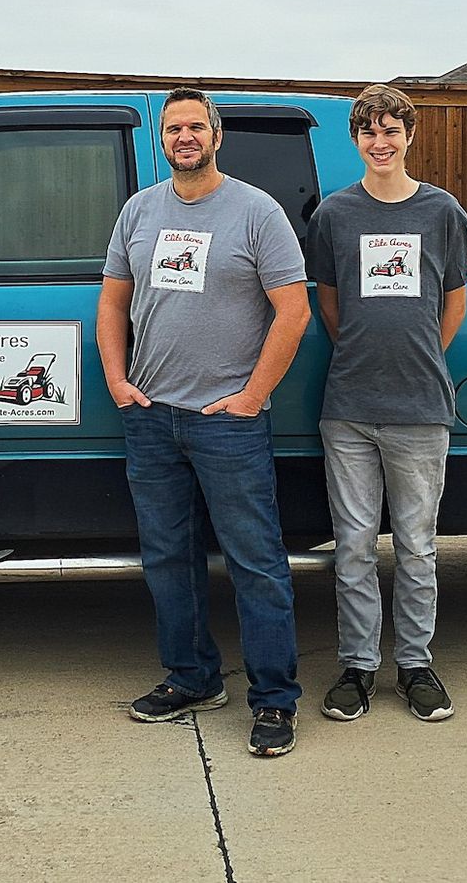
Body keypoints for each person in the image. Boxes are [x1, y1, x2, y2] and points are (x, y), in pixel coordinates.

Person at [98, 87, 312, 757]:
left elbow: (295, 311)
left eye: (196, 125)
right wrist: (117, 379)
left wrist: (251, 397)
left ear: (217, 135)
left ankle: (274, 700)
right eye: (174, 127)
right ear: (162, 140)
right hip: (152, 417)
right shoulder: (139, 210)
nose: (185, 135)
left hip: (228, 421)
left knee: (257, 563)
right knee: (167, 559)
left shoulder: (256, 211)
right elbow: (112, 302)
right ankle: (191, 677)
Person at [305, 84, 467, 722]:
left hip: (422, 407)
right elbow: (327, 297)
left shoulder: (442, 212)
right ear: (356, 140)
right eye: (370, 132)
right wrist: (359, 348)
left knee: (417, 545)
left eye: (392, 131)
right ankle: (357, 667)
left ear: (410, 137)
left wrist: (421, 352)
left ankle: (416, 665)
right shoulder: (334, 215)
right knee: (351, 545)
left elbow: (454, 299)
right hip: (347, 407)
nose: (382, 143)